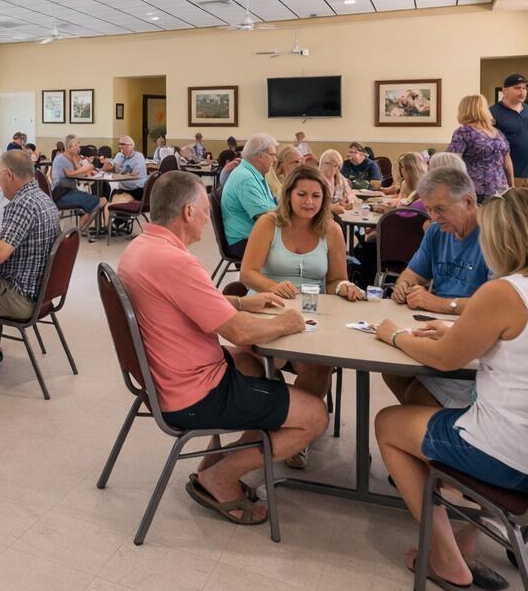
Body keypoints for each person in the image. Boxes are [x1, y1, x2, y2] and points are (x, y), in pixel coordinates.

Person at [374, 189, 528, 591]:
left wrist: (394, 335)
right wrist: (457, 329)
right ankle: (467, 535)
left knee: (389, 424)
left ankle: (445, 558)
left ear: (503, 237)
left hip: (515, 461)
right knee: (443, 411)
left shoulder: (505, 292)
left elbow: (442, 360)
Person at [118, 171, 328, 525]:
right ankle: (221, 477)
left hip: (165, 376)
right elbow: (241, 333)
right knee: (314, 417)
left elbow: (199, 305)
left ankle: (216, 462)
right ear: (187, 212)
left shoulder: (142, 248)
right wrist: (286, 322)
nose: (205, 220)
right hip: (191, 394)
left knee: (251, 363)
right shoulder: (177, 261)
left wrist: (246, 303)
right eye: (202, 210)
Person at [239, 166, 364, 467]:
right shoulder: (269, 223)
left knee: (320, 364)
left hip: (312, 314)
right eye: (302, 194)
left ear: (325, 199)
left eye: (316, 196)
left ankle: (297, 432)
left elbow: (335, 280)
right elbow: (248, 272)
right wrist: (273, 287)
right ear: (288, 195)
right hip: (271, 309)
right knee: (265, 361)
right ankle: (281, 420)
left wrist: (344, 287)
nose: (309, 202)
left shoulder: (331, 230)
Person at [385, 166, 491, 408]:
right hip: (435, 327)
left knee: (417, 396)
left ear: (468, 201)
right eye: (429, 209)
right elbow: (412, 274)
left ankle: (442, 429)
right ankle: (431, 427)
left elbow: (495, 308)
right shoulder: (437, 231)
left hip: (476, 338)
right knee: (393, 372)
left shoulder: (493, 236)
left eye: (440, 209)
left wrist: (438, 303)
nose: (433, 217)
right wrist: (403, 286)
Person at [0, 149, 60, 323]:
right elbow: (27, 232)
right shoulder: (43, 199)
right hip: (39, 293)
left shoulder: (21, 203)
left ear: (8, 175)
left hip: (18, 296)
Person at [219, 133, 278, 256]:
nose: (275, 159)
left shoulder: (252, 173)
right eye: (272, 155)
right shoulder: (246, 179)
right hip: (243, 242)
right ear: (260, 156)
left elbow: (270, 206)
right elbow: (265, 217)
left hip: (251, 237)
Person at [491, 74, 528, 190]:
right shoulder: (493, 112)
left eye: (524, 88)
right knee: (512, 208)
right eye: (517, 88)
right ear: (505, 90)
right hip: (508, 176)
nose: (522, 91)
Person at [447, 94, 511, 198]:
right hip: (493, 190)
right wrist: (511, 186)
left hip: (487, 191)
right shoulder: (497, 133)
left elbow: (452, 163)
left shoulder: (464, 132)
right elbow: (507, 163)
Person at [49, 134, 108, 235]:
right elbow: (70, 174)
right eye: (76, 146)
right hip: (62, 194)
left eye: (78, 145)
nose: (78, 148)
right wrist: (87, 168)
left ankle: (80, 229)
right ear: (68, 147)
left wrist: (78, 162)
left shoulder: (69, 158)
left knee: (100, 201)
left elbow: (79, 172)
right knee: (101, 201)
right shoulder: (61, 159)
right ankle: (80, 230)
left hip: (69, 191)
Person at [102, 135, 148, 203]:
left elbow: (135, 176)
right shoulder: (119, 155)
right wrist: (109, 162)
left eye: (123, 144)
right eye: (119, 144)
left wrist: (116, 175)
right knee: (104, 193)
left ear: (131, 146)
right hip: (122, 188)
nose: (120, 146)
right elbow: (105, 169)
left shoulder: (138, 156)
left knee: (114, 203)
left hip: (136, 190)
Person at [318, 149, 354, 214]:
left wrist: (347, 200)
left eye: (337, 166)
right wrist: (332, 207)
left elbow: (350, 193)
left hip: (340, 214)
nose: (335, 169)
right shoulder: (317, 179)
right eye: (333, 165)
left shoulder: (340, 178)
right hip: (323, 215)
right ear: (322, 164)